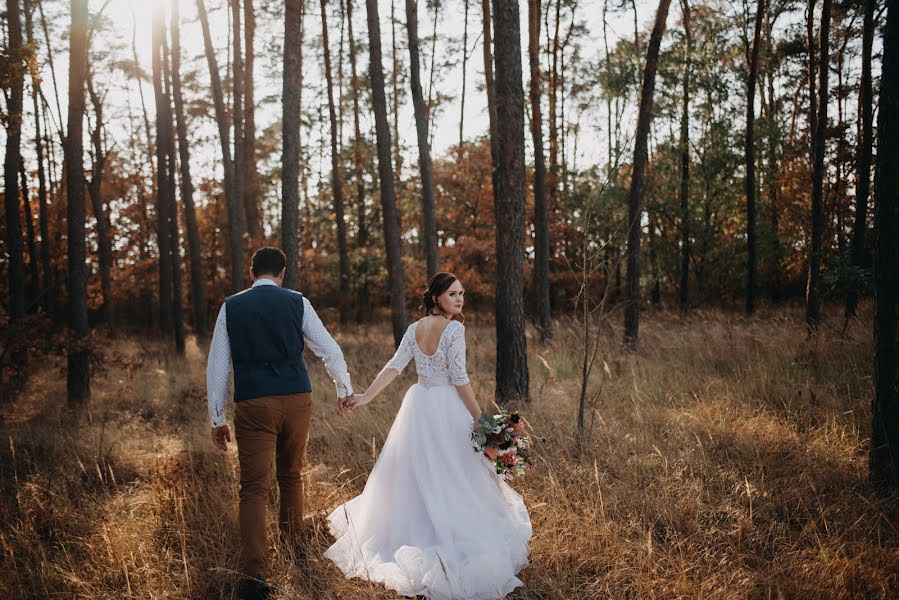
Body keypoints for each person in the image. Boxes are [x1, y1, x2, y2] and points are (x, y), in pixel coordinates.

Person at [326, 272, 532, 600]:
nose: (460, 299)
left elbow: (395, 367)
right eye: (453, 294)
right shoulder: (454, 330)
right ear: (437, 297)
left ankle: (418, 530)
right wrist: (480, 419)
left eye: (462, 293)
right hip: (446, 405)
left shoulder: (414, 328)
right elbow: (460, 379)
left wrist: (366, 396)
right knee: (454, 473)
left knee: (419, 471)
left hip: (419, 403)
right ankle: (446, 538)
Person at [206, 247, 354, 600]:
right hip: (296, 398)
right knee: (291, 475)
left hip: (254, 402)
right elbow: (329, 350)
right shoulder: (297, 302)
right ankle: (293, 551)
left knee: (253, 488)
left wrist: (216, 416)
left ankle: (255, 577)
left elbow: (217, 366)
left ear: (252, 271)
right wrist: (343, 388)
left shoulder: (231, 306)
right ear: (283, 272)